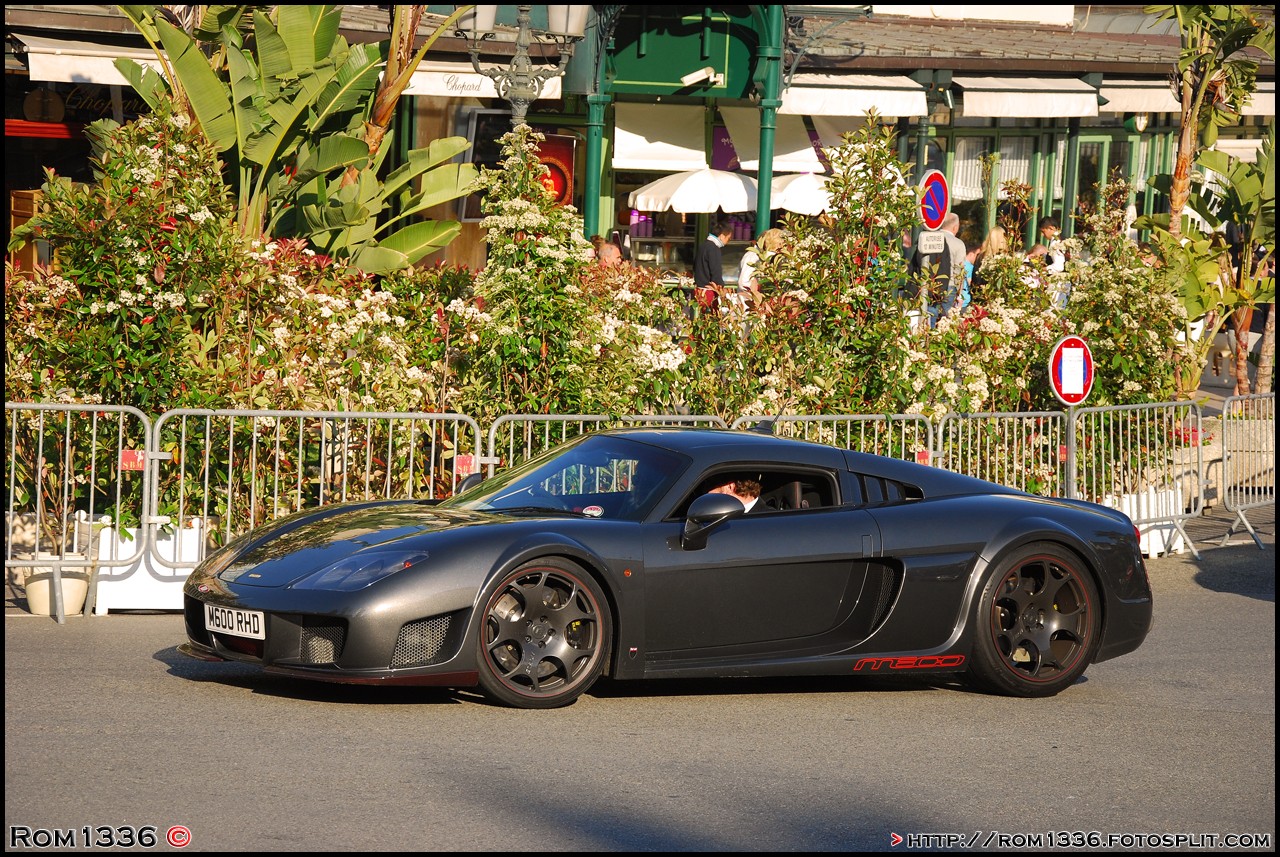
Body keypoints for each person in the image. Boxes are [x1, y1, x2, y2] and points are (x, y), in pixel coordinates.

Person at [909, 211, 967, 325]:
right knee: (946, 321)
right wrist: (960, 294)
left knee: (930, 314)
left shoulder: (929, 238)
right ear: (955, 227)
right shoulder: (958, 244)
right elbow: (959, 270)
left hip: (929, 284)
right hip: (949, 287)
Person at [737, 228, 786, 301]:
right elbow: (744, 282)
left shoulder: (770, 257)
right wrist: (758, 292)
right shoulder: (752, 256)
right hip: (750, 303)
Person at [693, 220, 734, 308]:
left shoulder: (703, 245)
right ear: (722, 236)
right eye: (728, 238)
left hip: (699, 290)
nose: (728, 241)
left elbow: (695, 266)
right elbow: (716, 272)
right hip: (709, 292)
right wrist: (721, 289)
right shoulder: (714, 249)